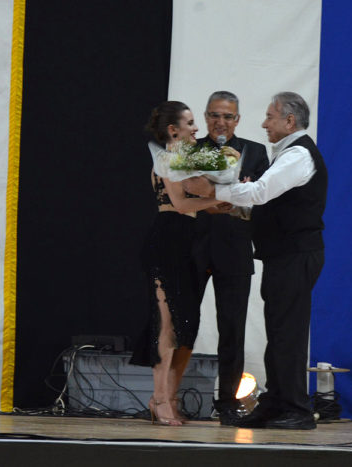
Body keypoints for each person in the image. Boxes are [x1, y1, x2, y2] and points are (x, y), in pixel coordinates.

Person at [183, 92, 327, 430]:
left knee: (287, 333)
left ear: (289, 121)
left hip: (295, 254)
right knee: (279, 332)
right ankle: (275, 404)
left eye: (270, 117)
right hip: (282, 255)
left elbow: (260, 193)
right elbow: (264, 202)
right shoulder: (287, 154)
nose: (264, 123)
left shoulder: (298, 155)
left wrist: (214, 192)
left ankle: (296, 410)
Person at [130, 101, 229, 426]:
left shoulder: (182, 160)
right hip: (167, 242)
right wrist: (223, 197)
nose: (196, 128)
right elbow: (180, 202)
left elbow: (196, 205)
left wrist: (223, 202)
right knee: (167, 325)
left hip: (187, 242)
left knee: (185, 325)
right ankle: (159, 399)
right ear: (173, 130)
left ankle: (168, 397)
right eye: (189, 123)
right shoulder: (168, 159)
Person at [192, 91, 269, 426]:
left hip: (235, 250)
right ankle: (168, 396)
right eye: (214, 115)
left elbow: (265, 202)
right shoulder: (188, 152)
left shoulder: (255, 152)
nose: (220, 122)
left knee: (232, 329)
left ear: (237, 120)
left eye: (228, 116)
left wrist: (246, 202)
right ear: (206, 116)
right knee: (180, 326)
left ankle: (227, 403)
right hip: (191, 249)